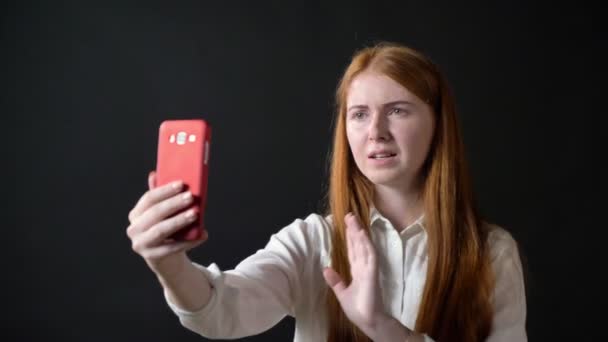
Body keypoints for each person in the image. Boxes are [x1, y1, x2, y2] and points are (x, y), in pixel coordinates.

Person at [126, 41, 527, 342]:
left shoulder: (491, 253)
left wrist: (381, 327)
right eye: (360, 114)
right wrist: (170, 266)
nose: (376, 132)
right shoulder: (312, 242)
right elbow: (225, 311)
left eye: (398, 110)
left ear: (438, 124)